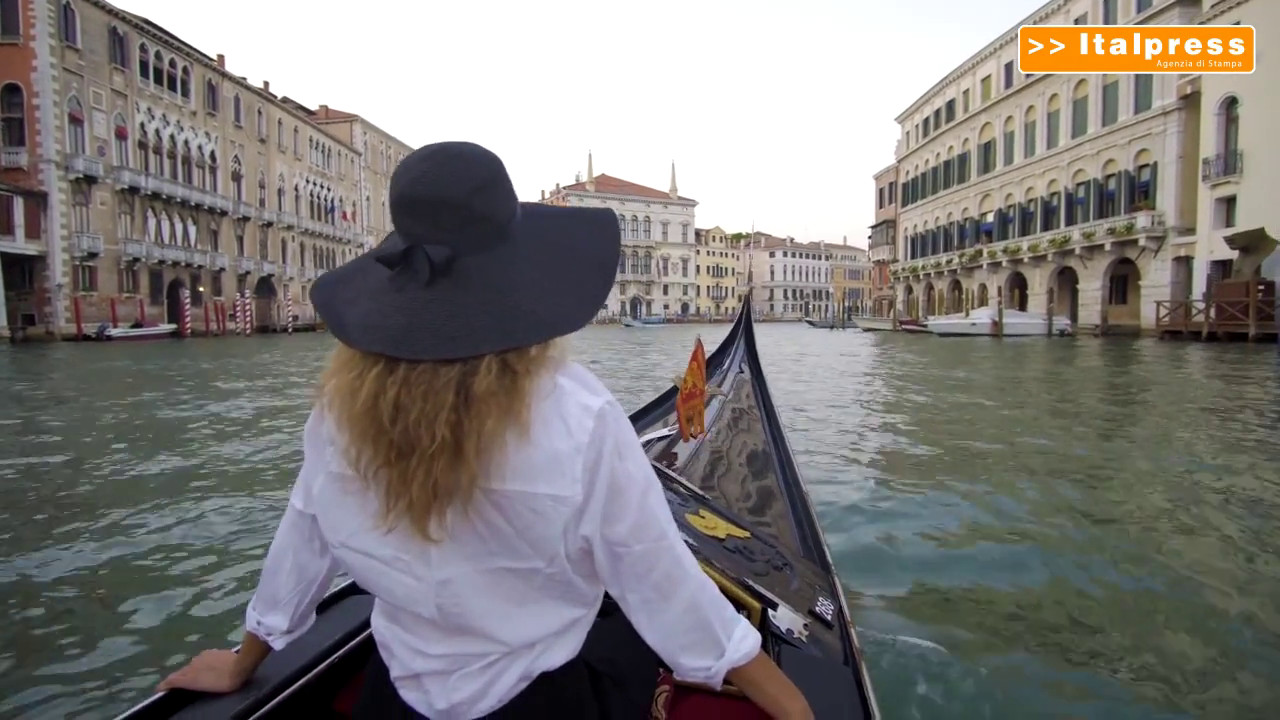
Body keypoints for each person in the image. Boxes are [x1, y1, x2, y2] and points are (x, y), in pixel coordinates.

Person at [156, 141, 813, 720]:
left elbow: (304, 538)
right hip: (541, 707)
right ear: (518, 274)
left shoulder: (339, 411)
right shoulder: (577, 414)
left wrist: (244, 660)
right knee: (621, 628)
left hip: (394, 704)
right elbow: (665, 588)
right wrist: (794, 707)